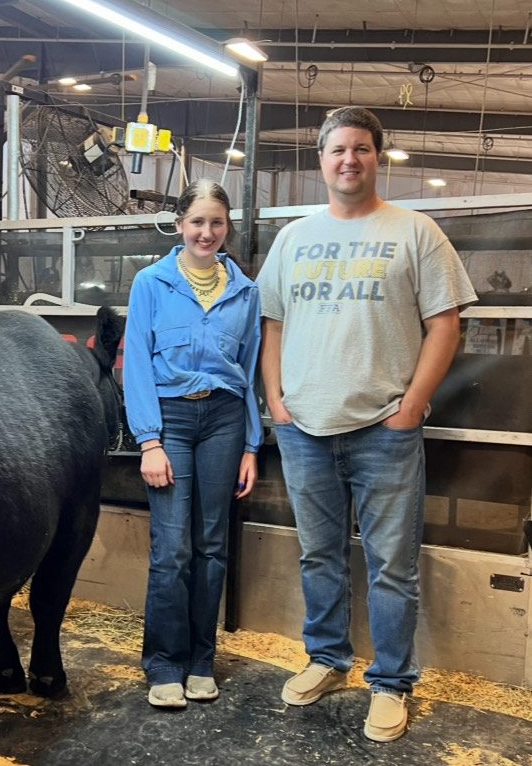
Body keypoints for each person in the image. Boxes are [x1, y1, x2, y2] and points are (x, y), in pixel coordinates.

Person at [256, 107, 477, 742]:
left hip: (385, 429)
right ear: (320, 161)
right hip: (305, 430)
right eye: (336, 150)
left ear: (378, 157)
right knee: (320, 554)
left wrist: (410, 409)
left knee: (391, 565)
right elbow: (273, 324)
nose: (348, 159)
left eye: (361, 149)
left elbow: (445, 325)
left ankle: (390, 682)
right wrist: (276, 399)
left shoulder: (416, 232)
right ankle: (327, 659)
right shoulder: (295, 238)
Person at [124, 179, 263, 709]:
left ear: (228, 229)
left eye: (217, 223)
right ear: (179, 224)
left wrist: (251, 444)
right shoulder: (151, 283)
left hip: (225, 421)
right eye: (198, 222)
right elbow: (136, 361)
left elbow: (247, 374)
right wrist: (149, 441)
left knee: (211, 544)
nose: (207, 232)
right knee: (173, 549)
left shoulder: (245, 292)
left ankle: (202, 660)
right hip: (172, 420)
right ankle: (164, 662)